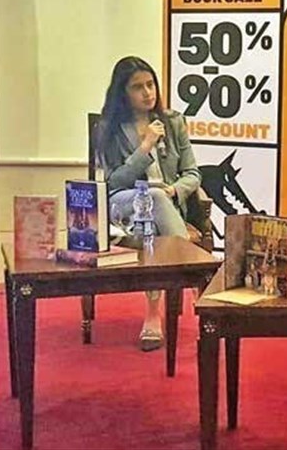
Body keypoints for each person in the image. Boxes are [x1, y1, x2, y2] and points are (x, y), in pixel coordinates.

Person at [97, 56, 202, 352]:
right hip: (123, 205)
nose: (147, 92)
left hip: (163, 207)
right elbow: (114, 182)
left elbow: (193, 174)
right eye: (137, 87)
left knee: (153, 219)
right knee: (150, 198)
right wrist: (145, 147)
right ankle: (196, 274)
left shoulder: (173, 121)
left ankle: (153, 314)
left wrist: (174, 190)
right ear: (122, 92)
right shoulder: (109, 128)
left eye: (150, 84)